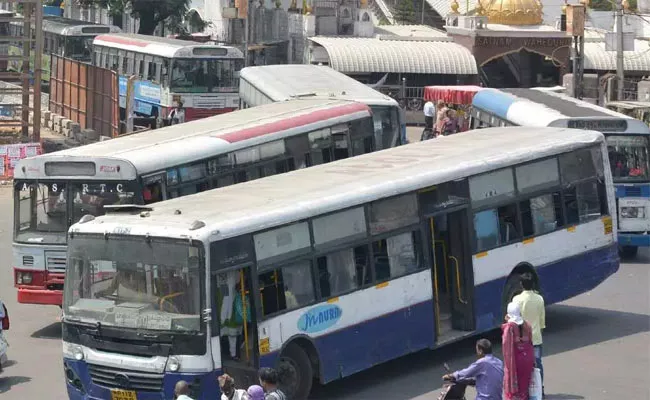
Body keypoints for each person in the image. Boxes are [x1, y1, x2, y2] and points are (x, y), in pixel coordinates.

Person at [513, 274, 546, 396]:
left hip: (522, 339)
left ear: (521, 285)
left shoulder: (516, 300)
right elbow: (542, 321)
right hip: (536, 338)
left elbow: (515, 320)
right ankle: (539, 389)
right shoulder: (539, 299)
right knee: (537, 365)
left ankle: (525, 389)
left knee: (522, 365)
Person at [502, 301, 535, 400]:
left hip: (515, 361)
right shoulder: (527, 325)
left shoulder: (509, 328)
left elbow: (506, 348)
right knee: (524, 387)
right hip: (528, 358)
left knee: (513, 391)